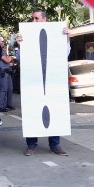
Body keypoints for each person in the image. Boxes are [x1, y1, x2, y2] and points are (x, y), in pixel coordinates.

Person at [21, 9, 69, 157]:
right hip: (34, 81)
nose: (33, 21)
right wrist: (20, 43)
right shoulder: (28, 36)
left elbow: (64, 53)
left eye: (36, 19)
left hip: (52, 81)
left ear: (44, 20)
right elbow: (24, 57)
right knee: (32, 110)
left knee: (54, 110)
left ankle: (55, 145)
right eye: (32, 19)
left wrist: (66, 38)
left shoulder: (55, 35)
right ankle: (31, 145)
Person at [0, 37, 14, 112]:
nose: (3, 42)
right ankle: (1, 106)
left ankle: (7, 105)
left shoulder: (5, 50)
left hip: (7, 71)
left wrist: (9, 58)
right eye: (1, 41)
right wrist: (10, 57)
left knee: (9, 89)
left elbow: (11, 61)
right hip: (3, 71)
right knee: (3, 89)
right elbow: (7, 60)